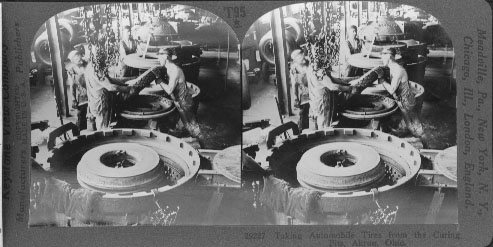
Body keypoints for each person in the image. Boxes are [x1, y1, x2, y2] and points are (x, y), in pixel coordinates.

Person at [78, 51, 136, 130]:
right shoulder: (96, 69)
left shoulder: (89, 67)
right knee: (104, 128)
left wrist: (129, 80)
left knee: (102, 123)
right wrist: (128, 89)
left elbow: (110, 80)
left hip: (95, 102)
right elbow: (111, 87)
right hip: (101, 104)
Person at [155, 48, 201, 138]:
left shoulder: (175, 70)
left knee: (193, 129)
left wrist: (160, 81)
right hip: (178, 102)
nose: (158, 59)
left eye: (159, 57)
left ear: (165, 57)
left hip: (185, 103)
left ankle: (201, 145)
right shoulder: (168, 69)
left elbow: (169, 90)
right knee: (186, 126)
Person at [379, 47, 425, 138]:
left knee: (416, 123)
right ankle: (412, 132)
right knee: (408, 121)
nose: (381, 58)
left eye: (383, 56)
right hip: (401, 100)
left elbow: (392, 89)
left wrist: (382, 80)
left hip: (407, 100)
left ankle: (423, 141)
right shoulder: (392, 67)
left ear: (389, 57)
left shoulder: (398, 70)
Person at [66, 50, 89, 130]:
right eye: (76, 58)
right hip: (83, 94)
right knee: (81, 114)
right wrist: (73, 99)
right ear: (72, 61)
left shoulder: (88, 64)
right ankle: (81, 132)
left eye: (79, 55)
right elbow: (72, 86)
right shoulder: (71, 70)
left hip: (93, 92)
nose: (79, 58)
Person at [290, 50, 310, 131]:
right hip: (305, 92)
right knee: (303, 112)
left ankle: (318, 130)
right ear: (295, 60)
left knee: (317, 112)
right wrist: (295, 98)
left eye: (302, 54)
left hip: (314, 89)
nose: (302, 56)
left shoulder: (309, 63)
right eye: (300, 56)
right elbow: (294, 84)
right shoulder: (294, 69)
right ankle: (302, 130)